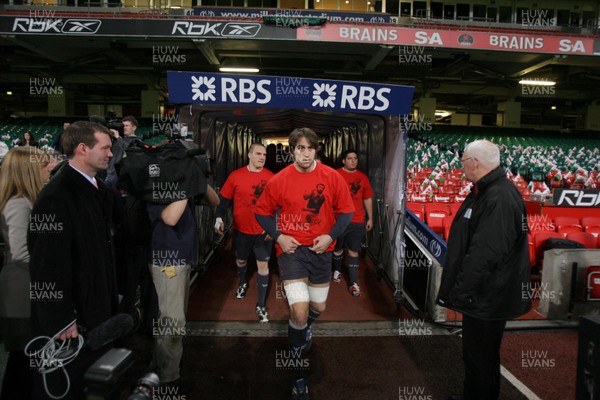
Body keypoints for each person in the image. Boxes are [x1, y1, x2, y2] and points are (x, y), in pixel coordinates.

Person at [254, 127, 354, 399]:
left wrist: (330, 235)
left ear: (316, 150)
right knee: (297, 311)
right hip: (292, 253)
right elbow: (261, 212)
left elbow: (347, 212)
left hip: (321, 252)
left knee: (317, 307)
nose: (305, 153)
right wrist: (279, 236)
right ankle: (298, 374)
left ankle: (305, 326)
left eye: (310, 148)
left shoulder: (332, 177)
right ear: (292, 150)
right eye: (300, 148)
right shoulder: (280, 180)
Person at [27, 121, 118, 400]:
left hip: (95, 309)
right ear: (82, 149)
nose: (111, 154)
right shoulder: (57, 196)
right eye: (105, 148)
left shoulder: (95, 190)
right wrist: (61, 318)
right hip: (74, 321)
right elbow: (46, 264)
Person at [436, 140, 531, 400]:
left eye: (463, 160)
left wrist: (461, 292)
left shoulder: (498, 196)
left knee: (479, 356)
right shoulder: (488, 190)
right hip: (485, 293)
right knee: (482, 355)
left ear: (474, 163)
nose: (462, 165)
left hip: (488, 295)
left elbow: (485, 254)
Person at [148, 184, 219, 394]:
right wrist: (185, 183)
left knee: (172, 317)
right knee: (173, 320)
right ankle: (168, 380)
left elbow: (214, 201)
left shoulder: (183, 184)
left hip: (182, 259)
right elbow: (170, 218)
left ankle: (159, 368)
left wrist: (196, 178)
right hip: (167, 260)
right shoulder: (158, 184)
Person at [0, 147, 55, 400]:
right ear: (29, 171)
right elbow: (23, 254)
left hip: (25, 286)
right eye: (44, 167)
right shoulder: (18, 204)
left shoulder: (25, 201)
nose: (49, 170)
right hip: (22, 290)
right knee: (24, 357)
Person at [214, 143, 275, 322]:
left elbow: (279, 206)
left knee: (263, 265)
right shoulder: (236, 176)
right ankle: (242, 282)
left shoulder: (271, 177)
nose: (262, 157)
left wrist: (273, 227)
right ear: (249, 155)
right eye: (258, 154)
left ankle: (261, 304)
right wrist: (218, 217)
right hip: (241, 231)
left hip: (263, 232)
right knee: (241, 260)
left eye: (264, 154)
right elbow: (223, 200)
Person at [332, 149, 374, 296]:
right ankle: (337, 270)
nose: (353, 161)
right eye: (349, 158)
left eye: (355, 158)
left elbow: (367, 198)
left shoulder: (363, 178)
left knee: (353, 251)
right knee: (337, 249)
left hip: (357, 220)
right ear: (343, 161)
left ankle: (353, 282)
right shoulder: (335, 174)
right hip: (339, 220)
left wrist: (370, 218)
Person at [106, 115, 142, 189]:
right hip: (109, 172)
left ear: (134, 128)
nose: (124, 127)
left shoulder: (137, 141)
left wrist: (118, 138)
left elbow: (130, 149)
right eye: (123, 125)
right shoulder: (117, 139)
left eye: (127, 125)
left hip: (121, 175)